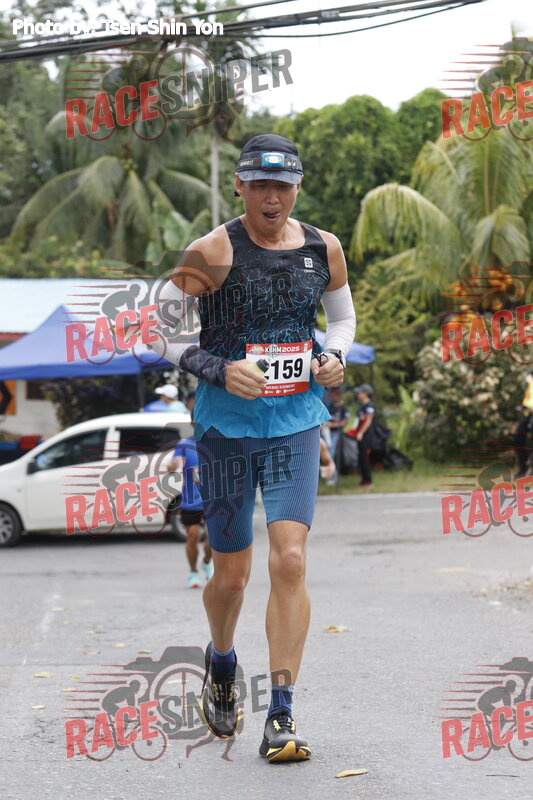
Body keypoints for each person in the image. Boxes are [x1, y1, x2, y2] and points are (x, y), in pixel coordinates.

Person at [148, 133, 356, 762]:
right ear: (238, 185)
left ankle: (282, 714)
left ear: (297, 187)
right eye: (259, 185)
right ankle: (221, 659)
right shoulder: (213, 250)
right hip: (226, 428)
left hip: (295, 420)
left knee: (289, 560)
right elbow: (157, 330)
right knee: (232, 575)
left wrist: (334, 356)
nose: (271, 197)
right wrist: (216, 368)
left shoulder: (323, 248)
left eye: (282, 186)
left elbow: (341, 319)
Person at [166, 404, 214, 588]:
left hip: (212, 499)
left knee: (212, 538)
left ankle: (207, 562)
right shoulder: (184, 444)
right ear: (193, 423)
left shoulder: (216, 442)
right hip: (191, 500)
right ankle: (193, 572)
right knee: (193, 536)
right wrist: (173, 465)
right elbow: (174, 463)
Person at [354, 383, 375, 488]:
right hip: (360, 434)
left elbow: (368, 421)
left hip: (366, 435)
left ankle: (368, 480)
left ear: (366, 394)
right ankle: (363, 479)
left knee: (365, 458)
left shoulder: (369, 407)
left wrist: (361, 433)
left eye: (360, 392)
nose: (358, 394)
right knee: (361, 457)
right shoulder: (362, 406)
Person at [324, 386, 350, 456]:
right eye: (331, 394)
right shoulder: (330, 406)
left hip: (337, 432)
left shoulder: (343, 407)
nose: (332, 396)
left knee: (332, 450)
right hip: (327, 431)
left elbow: (345, 421)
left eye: (334, 394)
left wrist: (333, 425)